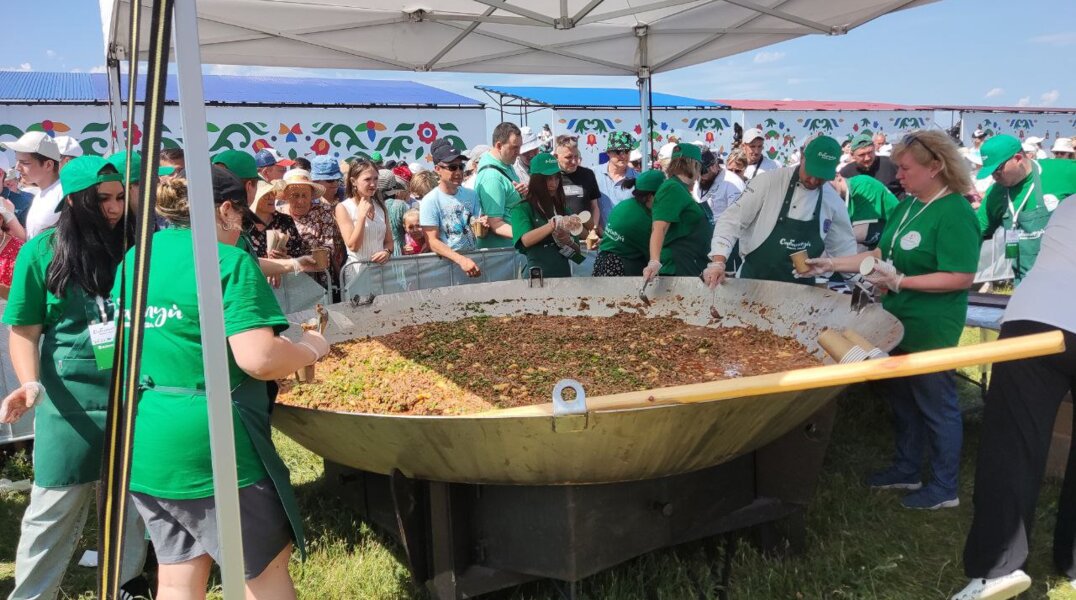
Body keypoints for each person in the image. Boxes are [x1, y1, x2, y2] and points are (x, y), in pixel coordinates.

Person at [118, 174, 328, 600]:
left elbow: (114, 349)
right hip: (212, 447)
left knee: (178, 573)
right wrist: (310, 348)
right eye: (241, 215)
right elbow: (259, 359)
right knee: (263, 568)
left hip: (145, 435)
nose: (243, 229)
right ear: (226, 210)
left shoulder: (135, 258)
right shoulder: (227, 263)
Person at [799, 130, 981, 510]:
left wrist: (901, 281)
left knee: (937, 405)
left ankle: (945, 487)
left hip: (932, 326)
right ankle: (907, 468)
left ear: (936, 167)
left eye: (905, 167)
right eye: (898, 167)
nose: (898, 174)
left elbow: (961, 276)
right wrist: (830, 262)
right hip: (896, 322)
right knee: (903, 402)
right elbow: (881, 252)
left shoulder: (955, 212)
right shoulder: (909, 204)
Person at [1, 155, 148, 599]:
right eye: (102, 198)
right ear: (76, 200)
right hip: (68, 402)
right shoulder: (41, 251)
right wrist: (29, 385)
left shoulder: (139, 247)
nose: (114, 207)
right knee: (54, 505)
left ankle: (125, 583)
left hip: (133, 393)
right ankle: (31, 594)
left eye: (121, 196)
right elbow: (23, 331)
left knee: (130, 504)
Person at [951, 192, 1076, 600]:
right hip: (1041, 316)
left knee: (1013, 442)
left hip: (1037, 317)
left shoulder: (1069, 203)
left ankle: (998, 567)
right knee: (1012, 443)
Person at [704, 136, 855, 287]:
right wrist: (718, 262)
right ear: (802, 158)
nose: (814, 181)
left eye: (821, 177)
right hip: (752, 285)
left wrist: (863, 286)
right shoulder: (769, 182)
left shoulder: (833, 202)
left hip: (802, 293)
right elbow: (731, 221)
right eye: (811, 172)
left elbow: (845, 250)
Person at [975, 134, 1076, 283]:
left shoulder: (1065, 172)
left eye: (998, 170)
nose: (995, 177)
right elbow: (975, 233)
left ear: (1017, 158)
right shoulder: (995, 194)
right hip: (1025, 284)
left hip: (1067, 282)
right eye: (991, 172)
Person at [642, 143, 714, 281]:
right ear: (694, 165)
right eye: (700, 169)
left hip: (690, 264)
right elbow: (659, 228)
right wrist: (654, 261)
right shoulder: (672, 188)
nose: (699, 175)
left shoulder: (681, 189)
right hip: (678, 268)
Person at [511, 153, 583, 279]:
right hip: (536, 279)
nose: (553, 184)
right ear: (536, 180)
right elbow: (525, 240)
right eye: (548, 179)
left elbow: (576, 256)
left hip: (563, 278)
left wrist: (567, 241)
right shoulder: (522, 208)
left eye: (556, 178)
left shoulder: (564, 209)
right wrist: (553, 225)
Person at [420, 139, 483, 278]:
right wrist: (460, 260)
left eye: (461, 166)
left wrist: (484, 225)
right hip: (445, 267)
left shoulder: (471, 195)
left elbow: (480, 233)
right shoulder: (430, 201)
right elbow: (432, 241)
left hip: (472, 263)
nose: (459, 171)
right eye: (452, 167)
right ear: (438, 169)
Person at [277, 169, 344, 288]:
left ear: (311, 195)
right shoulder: (278, 215)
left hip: (320, 280)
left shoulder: (323, 211)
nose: (301, 201)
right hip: (289, 281)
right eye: (295, 195)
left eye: (305, 195)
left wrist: (300, 260)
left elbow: (328, 248)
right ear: (286, 196)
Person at [593, 170, 665, 277]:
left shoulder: (624, 205)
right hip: (618, 269)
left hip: (602, 264)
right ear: (650, 196)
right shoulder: (643, 219)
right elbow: (656, 254)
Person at [337, 160, 393, 280]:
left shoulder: (381, 207)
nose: (373, 184)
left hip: (382, 272)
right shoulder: (343, 207)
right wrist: (361, 216)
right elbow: (353, 246)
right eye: (367, 179)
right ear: (353, 181)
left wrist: (387, 252)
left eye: (376, 179)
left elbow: (389, 241)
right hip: (357, 274)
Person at [2, 131, 63, 239]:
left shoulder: (63, 195)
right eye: (17, 161)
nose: (17, 167)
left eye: (24, 163)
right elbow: (33, 241)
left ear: (48, 165)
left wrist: (10, 216)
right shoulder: (42, 194)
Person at [474, 123, 525, 249]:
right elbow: (495, 223)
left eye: (519, 147)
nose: (518, 152)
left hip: (510, 250)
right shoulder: (492, 177)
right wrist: (528, 236)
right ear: (499, 145)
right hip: (502, 255)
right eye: (514, 148)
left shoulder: (506, 165)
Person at [831, 173, 900, 252]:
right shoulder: (838, 200)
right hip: (879, 245)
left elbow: (862, 231)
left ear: (837, 176)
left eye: (827, 182)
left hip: (897, 236)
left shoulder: (862, 184)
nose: (825, 188)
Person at [247, 180, 308, 259]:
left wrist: (286, 258)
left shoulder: (285, 220)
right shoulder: (244, 223)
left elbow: (299, 254)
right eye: (266, 194)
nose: (272, 197)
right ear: (255, 198)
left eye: (273, 193)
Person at [555, 135, 602, 232]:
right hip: (561, 236)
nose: (573, 161)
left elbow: (595, 206)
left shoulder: (588, 174)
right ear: (556, 157)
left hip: (586, 234)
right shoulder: (551, 177)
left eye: (576, 156)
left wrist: (594, 228)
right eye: (568, 157)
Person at [839, 133, 904, 196]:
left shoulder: (891, 164)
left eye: (870, 152)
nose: (867, 158)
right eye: (862, 155)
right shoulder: (846, 174)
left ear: (874, 149)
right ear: (852, 155)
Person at [597, 132, 638, 230]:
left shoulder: (638, 179)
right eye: (618, 152)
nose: (623, 155)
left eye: (627, 151)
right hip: (600, 240)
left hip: (628, 239)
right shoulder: (592, 174)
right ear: (608, 153)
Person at [697, 149, 745, 223]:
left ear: (714, 166)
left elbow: (737, 217)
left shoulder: (733, 183)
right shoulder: (698, 180)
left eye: (703, 171)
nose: (700, 176)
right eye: (696, 171)